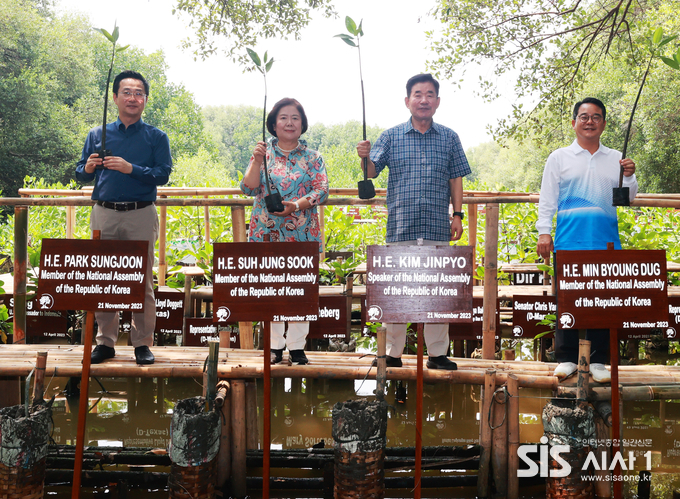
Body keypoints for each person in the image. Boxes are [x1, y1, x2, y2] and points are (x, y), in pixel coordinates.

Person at [356, 73, 471, 370]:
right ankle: (393, 353)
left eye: (429, 94)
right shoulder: (391, 136)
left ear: (437, 101)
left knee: (438, 291)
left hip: (436, 224)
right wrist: (364, 157)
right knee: (397, 291)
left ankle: (436, 353)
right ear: (407, 101)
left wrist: (457, 215)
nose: (424, 100)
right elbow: (371, 171)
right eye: (417, 94)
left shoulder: (449, 137)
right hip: (401, 225)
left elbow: (456, 178)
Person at [536, 97, 637, 383]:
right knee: (567, 299)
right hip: (569, 240)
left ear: (604, 123)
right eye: (584, 116)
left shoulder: (617, 159)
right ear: (574, 123)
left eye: (595, 116)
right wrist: (545, 231)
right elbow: (548, 200)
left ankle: (600, 360)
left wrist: (629, 176)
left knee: (604, 300)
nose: (589, 121)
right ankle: (566, 357)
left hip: (606, 242)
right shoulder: (559, 158)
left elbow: (627, 199)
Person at [76, 70, 172, 365]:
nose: (133, 98)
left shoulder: (156, 137)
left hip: (141, 213)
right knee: (105, 278)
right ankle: (105, 342)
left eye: (139, 93)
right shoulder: (97, 134)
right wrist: (89, 167)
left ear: (145, 100)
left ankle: (142, 343)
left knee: (143, 280)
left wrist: (132, 169)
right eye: (127, 92)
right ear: (115, 97)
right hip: (104, 213)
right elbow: (80, 174)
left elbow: (163, 175)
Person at [240, 98, 329, 366]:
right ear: (273, 124)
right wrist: (256, 161)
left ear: (302, 124)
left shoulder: (313, 157)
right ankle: (274, 345)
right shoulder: (262, 153)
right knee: (271, 289)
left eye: (295, 118)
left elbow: (321, 190)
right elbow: (247, 188)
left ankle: (297, 347)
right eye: (283, 118)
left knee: (301, 290)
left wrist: (296, 206)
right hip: (266, 232)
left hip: (302, 233)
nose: (289, 123)